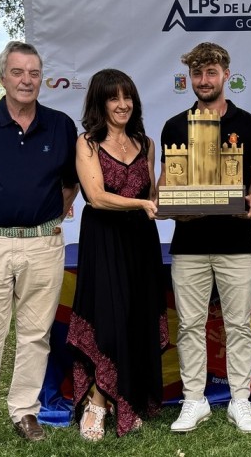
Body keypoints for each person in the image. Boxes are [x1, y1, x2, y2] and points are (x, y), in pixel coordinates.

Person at [0, 41, 78, 450]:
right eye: (18, 72)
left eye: (34, 73)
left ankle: (24, 410)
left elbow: (69, 184)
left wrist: (47, 221)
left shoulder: (60, 124)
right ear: (2, 76)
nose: (27, 81)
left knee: (35, 335)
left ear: (42, 78)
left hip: (43, 245)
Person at [158, 42, 251, 433]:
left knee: (238, 324)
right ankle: (194, 400)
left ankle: (240, 400)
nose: (203, 81)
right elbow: (165, 184)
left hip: (238, 244)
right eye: (197, 74)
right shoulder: (174, 126)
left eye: (211, 73)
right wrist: (166, 200)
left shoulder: (250, 125)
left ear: (226, 74)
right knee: (189, 325)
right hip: (188, 245)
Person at [65, 69, 169, 440]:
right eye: (113, 97)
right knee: (108, 318)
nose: (122, 104)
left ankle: (127, 398)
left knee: (137, 317)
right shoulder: (87, 144)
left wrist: (178, 195)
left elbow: (153, 195)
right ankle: (97, 401)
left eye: (127, 97)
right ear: (100, 102)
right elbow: (96, 197)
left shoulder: (147, 142)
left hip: (141, 241)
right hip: (105, 241)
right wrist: (142, 202)